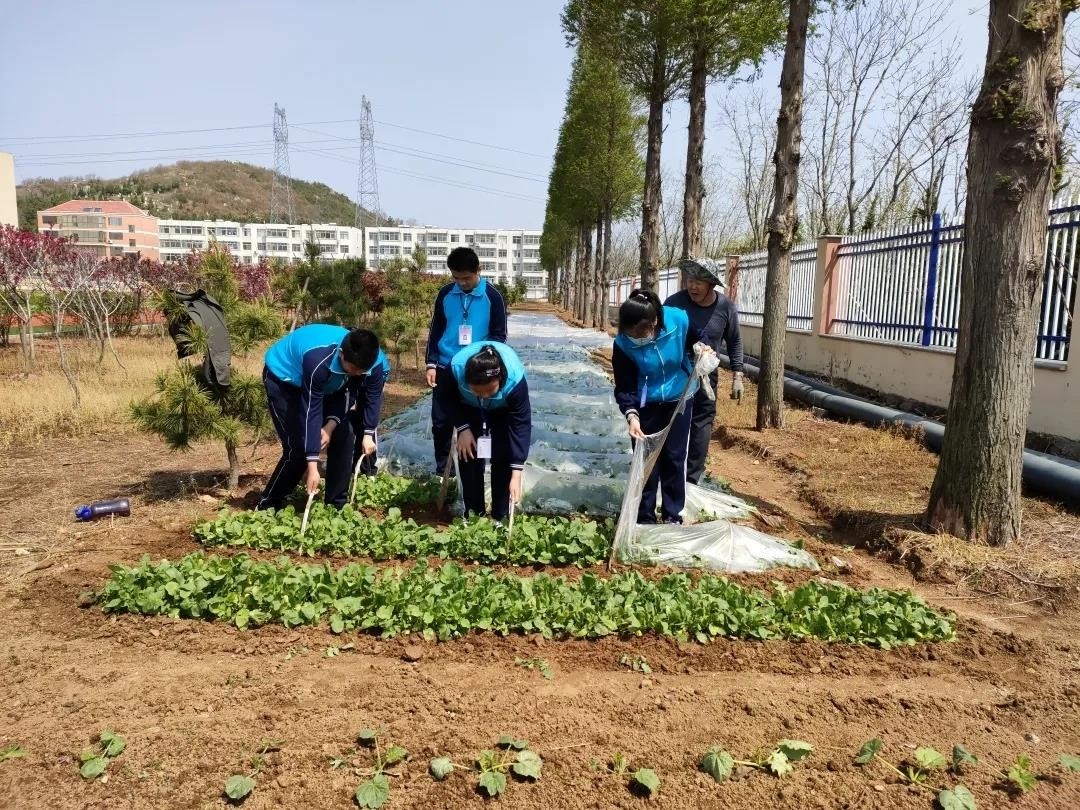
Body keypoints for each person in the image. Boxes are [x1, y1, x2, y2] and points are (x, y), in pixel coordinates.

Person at [257, 325, 388, 511]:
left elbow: (351, 394)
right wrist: (313, 466)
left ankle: (336, 505)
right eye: (353, 369)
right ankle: (268, 505)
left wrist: (332, 428)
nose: (357, 374)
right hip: (286, 378)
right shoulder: (318, 360)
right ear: (341, 354)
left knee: (345, 434)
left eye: (361, 371)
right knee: (298, 448)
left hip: (329, 383)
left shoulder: (369, 363)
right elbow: (311, 409)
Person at [612, 289, 709, 525]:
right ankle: (644, 516)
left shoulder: (678, 320)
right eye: (630, 332)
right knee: (646, 460)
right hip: (647, 403)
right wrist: (632, 416)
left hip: (679, 397)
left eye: (640, 332)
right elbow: (625, 387)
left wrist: (703, 350)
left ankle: (672, 514)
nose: (636, 337)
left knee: (675, 458)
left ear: (655, 321)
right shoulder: (623, 344)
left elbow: (698, 338)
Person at [425, 246, 508, 476]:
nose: (461, 283)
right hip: (445, 365)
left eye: (466, 278)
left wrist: (487, 364)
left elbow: (499, 336)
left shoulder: (493, 296)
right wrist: (431, 363)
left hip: (476, 371)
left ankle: (478, 470)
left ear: (478, 270)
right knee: (441, 422)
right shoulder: (445, 294)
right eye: (456, 278)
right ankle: (443, 471)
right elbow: (437, 329)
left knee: (478, 423)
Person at [664, 257, 744, 485]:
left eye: (699, 281)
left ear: (711, 284)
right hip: (676, 375)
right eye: (690, 280)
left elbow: (735, 342)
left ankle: (692, 480)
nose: (692, 286)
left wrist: (738, 376)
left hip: (707, 377)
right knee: (674, 422)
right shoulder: (674, 304)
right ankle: (670, 476)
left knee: (702, 422)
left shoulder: (725, 307)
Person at [449, 341, 531, 522]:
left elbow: (521, 425)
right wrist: (463, 427)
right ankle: (473, 514)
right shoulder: (456, 368)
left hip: (503, 409)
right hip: (469, 408)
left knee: (503, 454)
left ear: (500, 379)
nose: (485, 396)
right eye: (478, 391)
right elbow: (446, 399)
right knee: (468, 452)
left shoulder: (515, 382)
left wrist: (516, 471)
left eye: (489, 390)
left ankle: (499, 517)